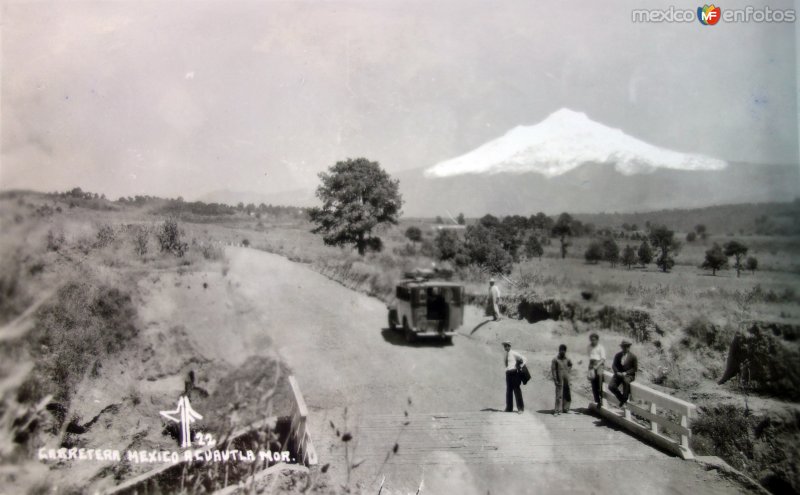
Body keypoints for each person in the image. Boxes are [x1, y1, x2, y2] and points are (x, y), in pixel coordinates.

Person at [608, 340, 638, 407]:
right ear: (621, 347)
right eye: (623, 347)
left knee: (626, 381)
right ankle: (622, 399)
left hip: (629, 375)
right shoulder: (618, 355)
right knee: (611, 386)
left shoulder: (633, 357)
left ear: (629, 347)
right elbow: (614, 365)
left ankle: (624, 399)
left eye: (627, 347)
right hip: (619, 374)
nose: (625, 348)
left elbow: (635, 369)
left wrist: (626, 372)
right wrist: (617, 372)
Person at [502, 341, 526, 413]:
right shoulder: (506, 354)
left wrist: (520, 367)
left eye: (507, 346)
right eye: (504, 346)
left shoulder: (513, 353)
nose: (505, 347)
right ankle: (509, 408)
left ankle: (520, 408)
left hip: (514, 373)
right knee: (509, 391)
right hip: (508, 373)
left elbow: (524, 358)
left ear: (509, 346)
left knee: (517, 390)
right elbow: (507, 364)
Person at [551, 344, 573, 415]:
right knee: (559, 394)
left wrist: (568, 371)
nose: (562, 352)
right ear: (559, 350)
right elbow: (553, 370)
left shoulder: (567, 359)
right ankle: (557, 410)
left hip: (566, 378)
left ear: (565, 351)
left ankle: (566, 409)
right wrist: (555, 379)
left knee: (567, 392)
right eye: (561, 350)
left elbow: (570, 365)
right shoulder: (555, 359)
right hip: (559, 378)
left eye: (564, 350)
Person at [586, 333, 606, 407]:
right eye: (591, 340)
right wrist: (591, 367)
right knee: (593, 381)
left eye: (594, 340)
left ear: (597, 340)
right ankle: (597, 401)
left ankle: (601, 395)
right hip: (592, 364)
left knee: (599, 375)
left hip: (599, 364)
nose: (593, 341)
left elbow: (603, 359)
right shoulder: (589, 347)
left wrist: (597, 365)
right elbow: (589, 357)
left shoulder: (601, 347)